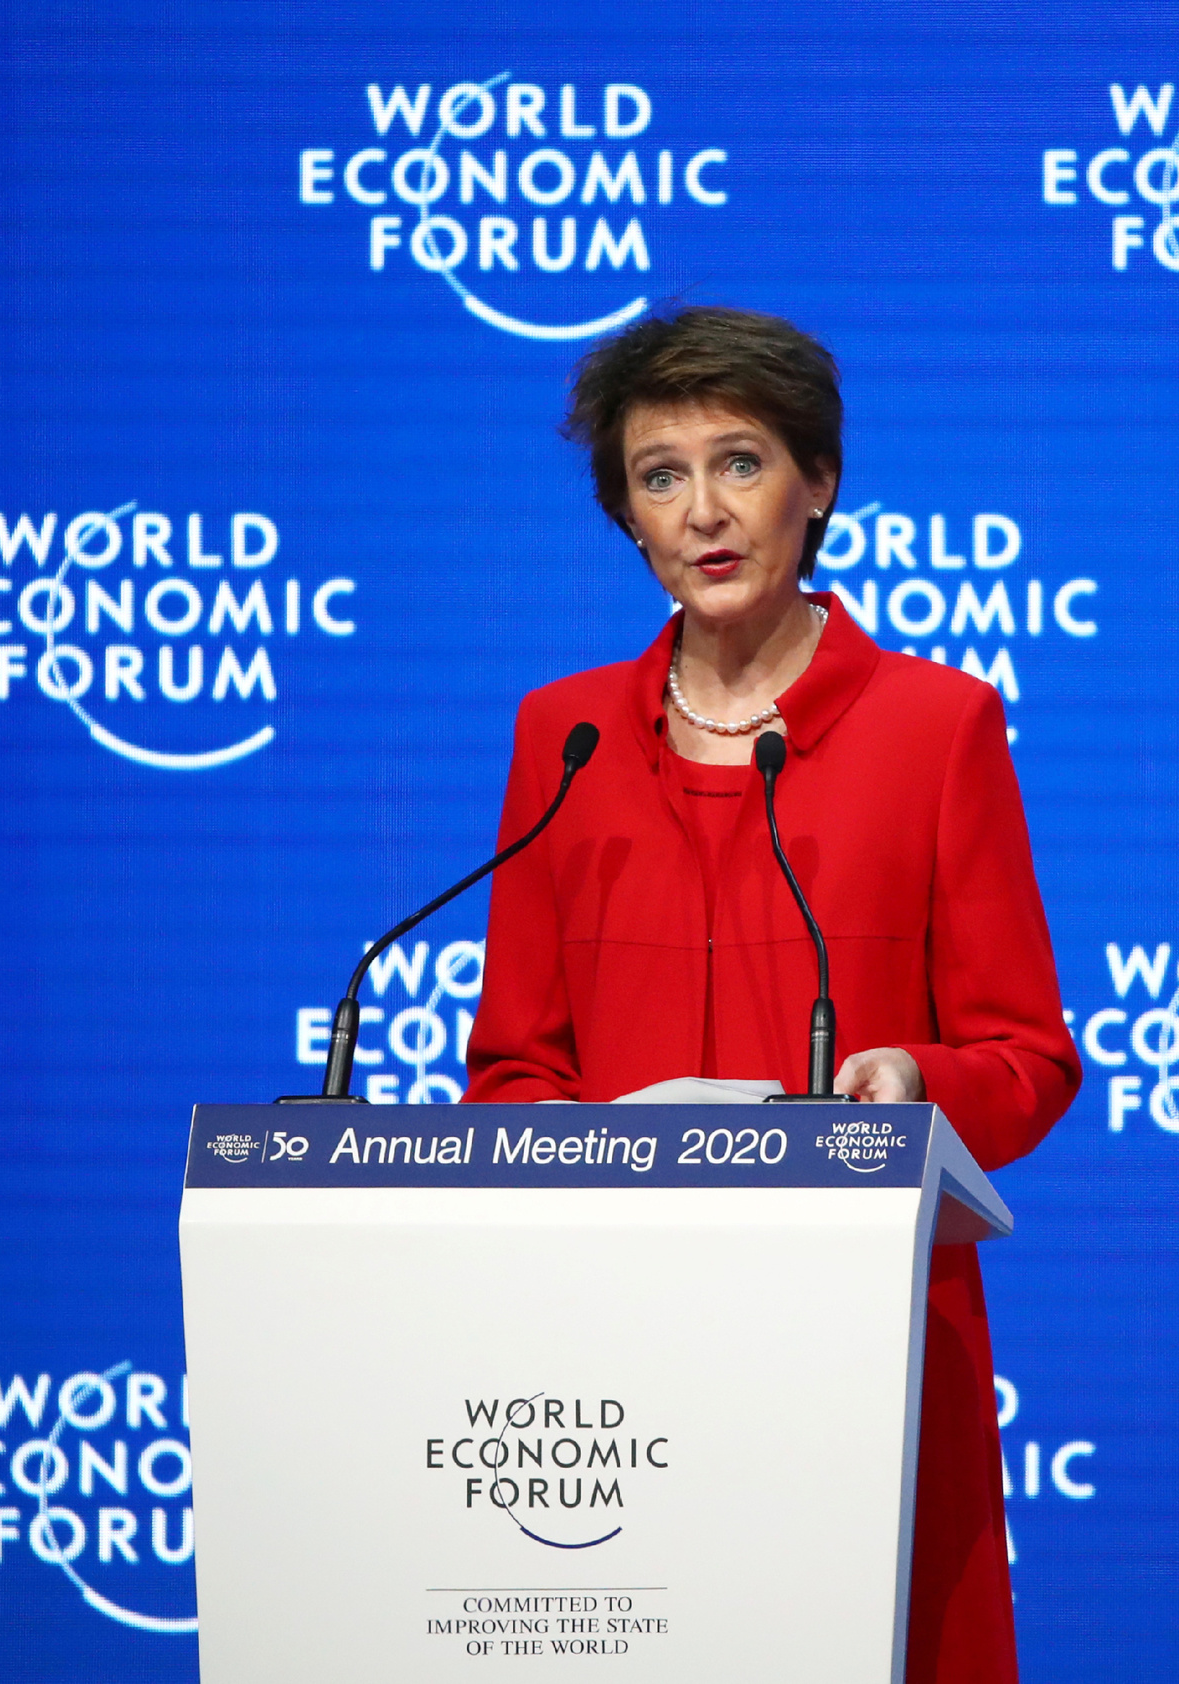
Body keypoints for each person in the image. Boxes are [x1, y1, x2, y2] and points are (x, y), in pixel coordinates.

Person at [463, 306, 1081, 1682]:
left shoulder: (938, 728)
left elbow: (1028, 1056)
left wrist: (914, 1083)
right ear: (628, 516)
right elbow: (511, 1066)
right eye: (660, 475)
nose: (704, 511)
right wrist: (563, 1148)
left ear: (818, 484)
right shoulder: (563, 735)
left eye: (740, 462)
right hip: (611, 1358)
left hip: (864, 1341)